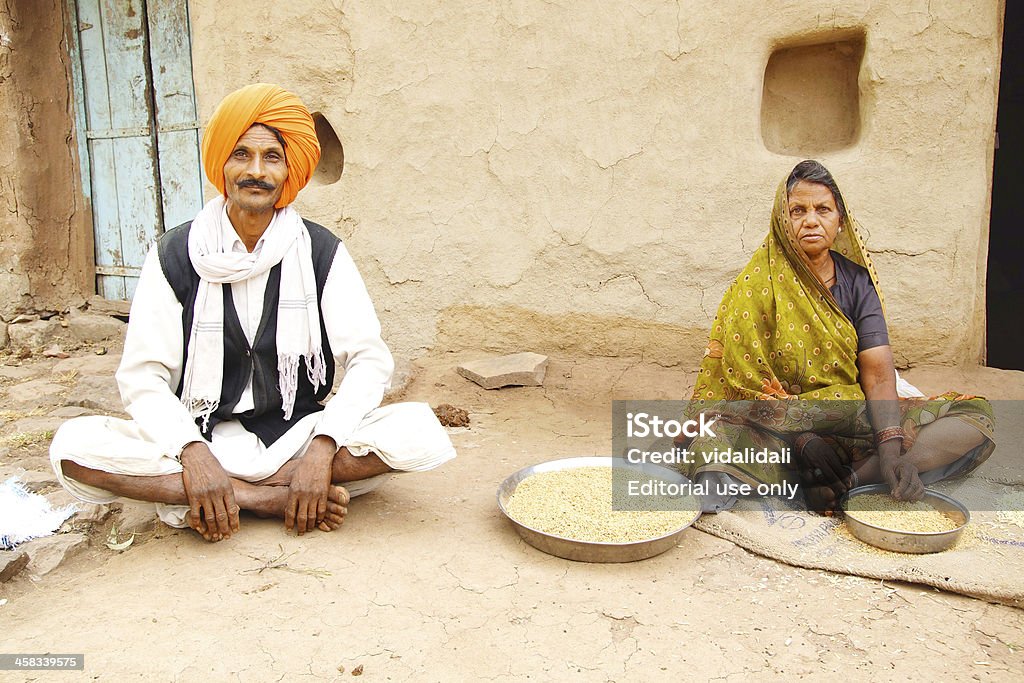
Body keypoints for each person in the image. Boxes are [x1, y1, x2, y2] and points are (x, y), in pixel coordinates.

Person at [49, 84, 455, 541]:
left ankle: (232, 494)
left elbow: (370, 360)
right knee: (72, 450)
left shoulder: (321, 252)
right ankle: (265, 498)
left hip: (297, 434)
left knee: (417, 430)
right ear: (221, 165)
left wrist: (322, 450)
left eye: (272, 158)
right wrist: (192, 452)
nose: (256, 171)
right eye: (241, 155)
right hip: (200, 436)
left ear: (288, 172)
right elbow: (142, 378)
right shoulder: (175, 254)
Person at [677, 160, 994, 515]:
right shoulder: (754, 285)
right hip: (775, 430)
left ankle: (853, 483)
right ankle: (824, 476)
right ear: (782, 221)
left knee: (973, 416)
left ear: (840, 220)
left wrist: (891, 452)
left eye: (822, 209)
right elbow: (741, 384)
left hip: (847, 417)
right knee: (714, 447)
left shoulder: (857, 282)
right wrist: (802, 439)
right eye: (797, 210)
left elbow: (876, 373)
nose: (810, 220)